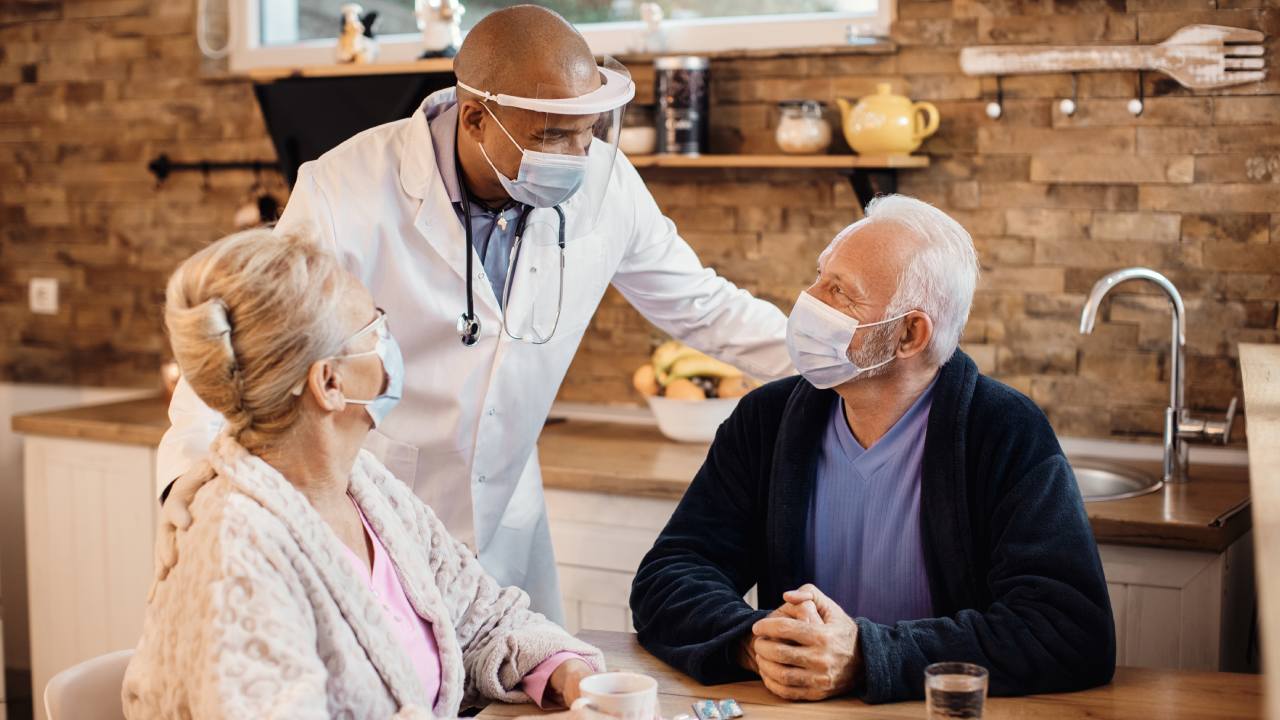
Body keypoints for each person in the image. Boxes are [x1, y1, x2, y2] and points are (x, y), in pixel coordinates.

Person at [155, 4, 791, 622]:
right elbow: (250, 336)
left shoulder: (605, 182)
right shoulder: (344, 188)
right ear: (476, 119)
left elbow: (703, 306)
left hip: (505, 526)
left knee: (525, 679)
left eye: (588, 131)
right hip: (371, 513)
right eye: (550, 135)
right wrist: (190, 474)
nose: (577, 157)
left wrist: (833, 354)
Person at [628, 195, 1116, 704]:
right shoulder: (765, 420)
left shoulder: (1006, 431)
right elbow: (668, 577)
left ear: (909, 334)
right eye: (819, 276)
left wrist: (866, 655)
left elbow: (1068, 630)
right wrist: (760, 644)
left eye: (840, 292)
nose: (808, 300)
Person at [123, 229, 606, 718]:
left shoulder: (367, 489)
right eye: (375, 330)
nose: (390, 345)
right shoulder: (238, 551)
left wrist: (566, 671)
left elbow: (481, 619)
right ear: (329, 383)